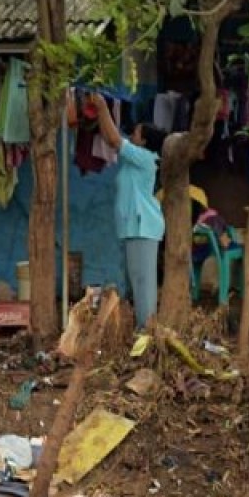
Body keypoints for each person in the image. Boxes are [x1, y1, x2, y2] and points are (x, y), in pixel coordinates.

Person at [90, 92, 166, 327]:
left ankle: (147, 332)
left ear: (144, 141)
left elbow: (114, 140)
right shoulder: (135, 158)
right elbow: (110, 137)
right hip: (136, 226)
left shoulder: (145, 158)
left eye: (136, 133)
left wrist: (102, 107)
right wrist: (100, 114)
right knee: (137, 281)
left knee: (143, 283)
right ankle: (143, 329)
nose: (131, 135)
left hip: (144, 227)